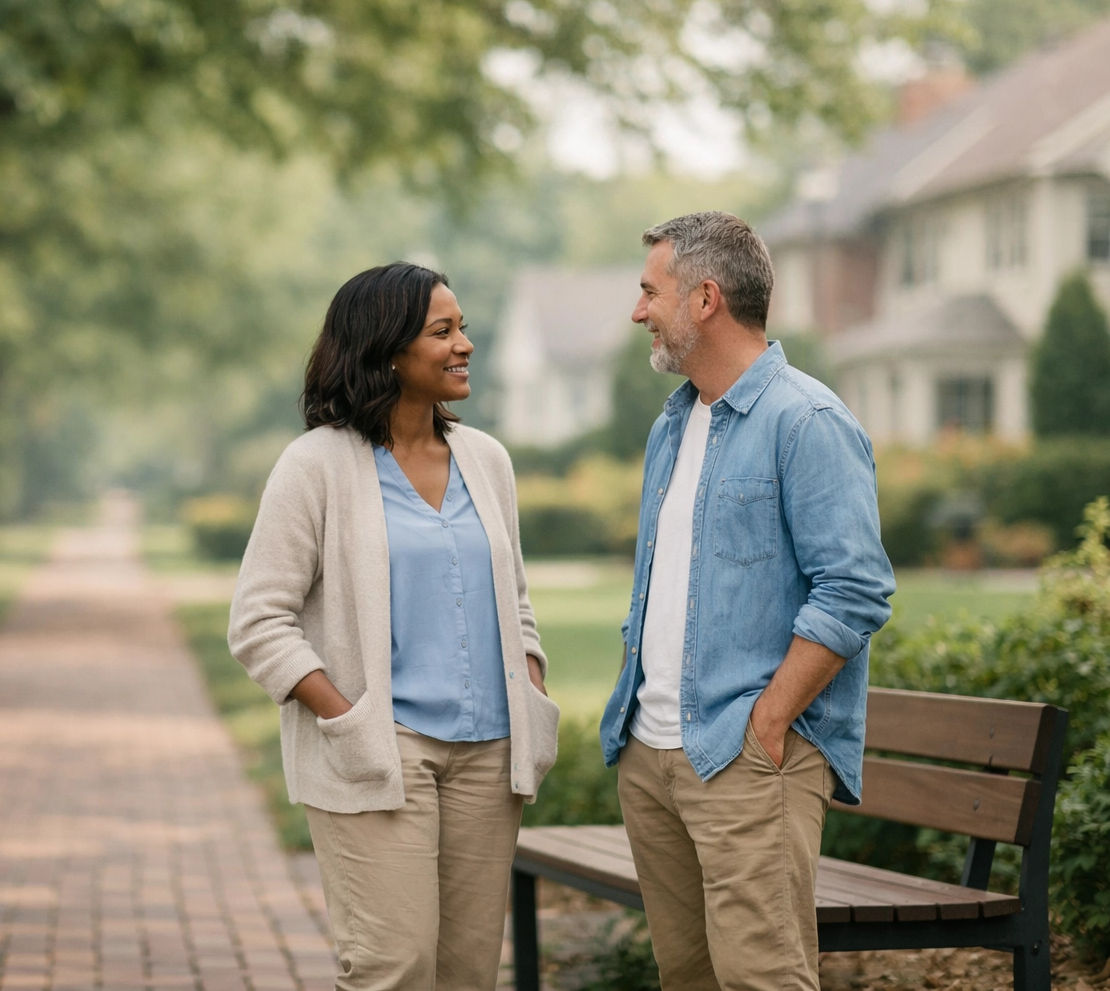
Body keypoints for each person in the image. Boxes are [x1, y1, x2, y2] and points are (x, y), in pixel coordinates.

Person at [228, 262, 560, 991]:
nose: (465, 343)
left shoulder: (487, 461)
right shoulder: (314, 466)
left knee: (466, 971)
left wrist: (528, 681)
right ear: (387, 351)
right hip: (382, 749)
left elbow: (518, 599)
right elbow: (258, 620)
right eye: (442, 331)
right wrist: (347, 717)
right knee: (394, 965)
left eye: (463, 326)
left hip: (489, 754)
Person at [599, 212, 895, 991]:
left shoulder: (807, 422)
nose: (638, 312)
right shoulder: (673, 425)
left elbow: (856, 589)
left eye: (649, 292)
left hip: (745, 758)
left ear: (704, 299)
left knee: (762, 979)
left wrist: (766, 723)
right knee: (687, 977)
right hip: (653, 754)